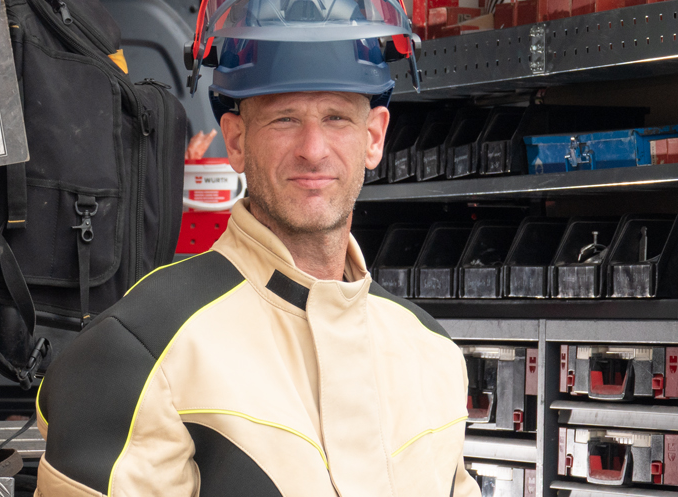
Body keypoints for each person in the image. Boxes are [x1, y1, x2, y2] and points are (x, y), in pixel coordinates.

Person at [34, 2, 478, 495]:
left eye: (336, 118)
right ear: (237, 140)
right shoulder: (143, 351)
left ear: (372, 138)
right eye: (284, 119)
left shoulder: (431, 354)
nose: (313, 148)